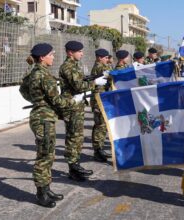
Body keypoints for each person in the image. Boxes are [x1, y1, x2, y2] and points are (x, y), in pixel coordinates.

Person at [19, 43, 76, 208]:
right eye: (51, 54)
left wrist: (37, 101)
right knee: (44, 156)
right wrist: (72, 101)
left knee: (48, 155)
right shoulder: (43, 76)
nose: (53, 57)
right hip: (43, 119)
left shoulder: (34, 73)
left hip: (42, 117)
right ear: (42, 57)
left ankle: (46, 188)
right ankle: (41, 193)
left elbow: (23, 90)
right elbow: (57, 101)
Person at [59, 41, 106, 181]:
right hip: (71, 106)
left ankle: (75, 165)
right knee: (73, 137)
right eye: (79, 51)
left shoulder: (74, 66)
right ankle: (73, 168)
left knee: (78, 137)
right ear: (70, 53)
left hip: (77, 106)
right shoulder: (67, 67)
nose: (82, 53)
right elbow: (78, 86)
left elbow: (79, 82)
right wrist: (94, 83)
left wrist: (89, 80)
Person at [91, 49, 113, 162]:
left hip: (102, 98)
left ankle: (99, 149)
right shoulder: (100, 67)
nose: (107, 59)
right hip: (99, 99)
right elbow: (110, 77)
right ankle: (97, 150)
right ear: (99, 57)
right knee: (100, 126)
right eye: (105, 58)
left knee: (102, 125)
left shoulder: (101, 66)